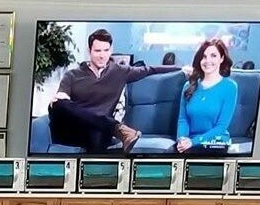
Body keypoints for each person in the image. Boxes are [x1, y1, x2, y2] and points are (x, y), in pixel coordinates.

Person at [46, 28, 184, 153]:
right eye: (97, 51)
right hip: (72, 130)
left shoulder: (119, 71)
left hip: (99, 131)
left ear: (111, 50)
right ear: (89, 51)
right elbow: (62, 98)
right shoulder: (73, 74)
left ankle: (96, 178)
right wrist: (61, 96)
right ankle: (118, 128)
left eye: (106, 50)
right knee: (58, 103)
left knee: (97, 133)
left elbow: (150, 70)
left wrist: (182, 69)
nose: (102, 55)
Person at [175, 39, 240, 152]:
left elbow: (221, 127)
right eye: (204, 56)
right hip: (190, 144)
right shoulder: (188, 86)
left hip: (216, 143)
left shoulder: (230, 87)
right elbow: (183, 119)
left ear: (222, 58)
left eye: (213, 56)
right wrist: (182, 139)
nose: (207, 60)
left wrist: (193, 142)